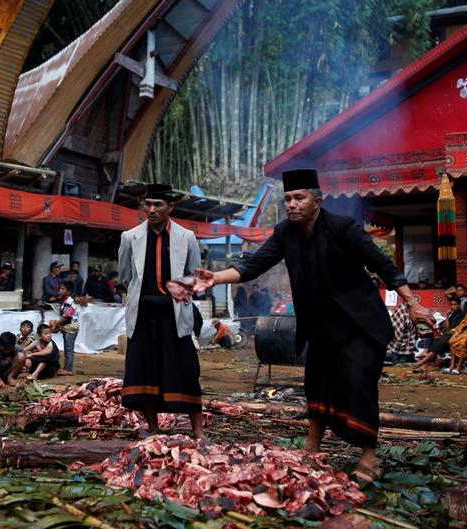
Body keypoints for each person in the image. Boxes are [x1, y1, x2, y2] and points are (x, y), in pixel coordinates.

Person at [181, 169, 435, 482]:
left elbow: (383, 265)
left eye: (299, 197)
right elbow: (253, 265)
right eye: (287, 198)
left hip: (360, 324)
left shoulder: (343, 228)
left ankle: (369, 456)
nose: (291, 204)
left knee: (359, 385)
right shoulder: (285, 233)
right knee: (317, 383)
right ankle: (312, 446)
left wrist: (411, 303)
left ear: (317, 201)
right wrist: (216, 277)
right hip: (321, 325)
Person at [118, 183, 205, 440]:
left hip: (174, 315)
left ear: (171, 207)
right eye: (148, 204)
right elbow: (125, 277)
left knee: (187, 370)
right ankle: (153, 430)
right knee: (145, 371)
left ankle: (198, 431)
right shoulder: (129, 237)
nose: (152, 209)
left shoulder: (186, 237)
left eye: (158, 205)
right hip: (143, 316)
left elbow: (194, 276)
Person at [413, 296, 465, 370]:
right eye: (452, 305)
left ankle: (421, 363)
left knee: (437, 344)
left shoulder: (462, 314)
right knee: (433, 337)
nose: (453, 306)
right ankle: (424, 365)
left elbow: (448, 328)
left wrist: (447, 316)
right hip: (446, 335)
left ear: (459, 305)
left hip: (453, 336)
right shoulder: (453, 314)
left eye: (455, 304)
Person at [50, 282, 78, 376]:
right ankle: (67, 367)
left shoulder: (68, 302)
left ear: (68, 292)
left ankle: (68, 369)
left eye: (62, 289)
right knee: (67, 348)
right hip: (68, 327)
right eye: (60, 289)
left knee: (68, 348)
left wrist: (55, 324)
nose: (60, 290)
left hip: (70, 328)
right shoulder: (65, 300)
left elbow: (66, 317)